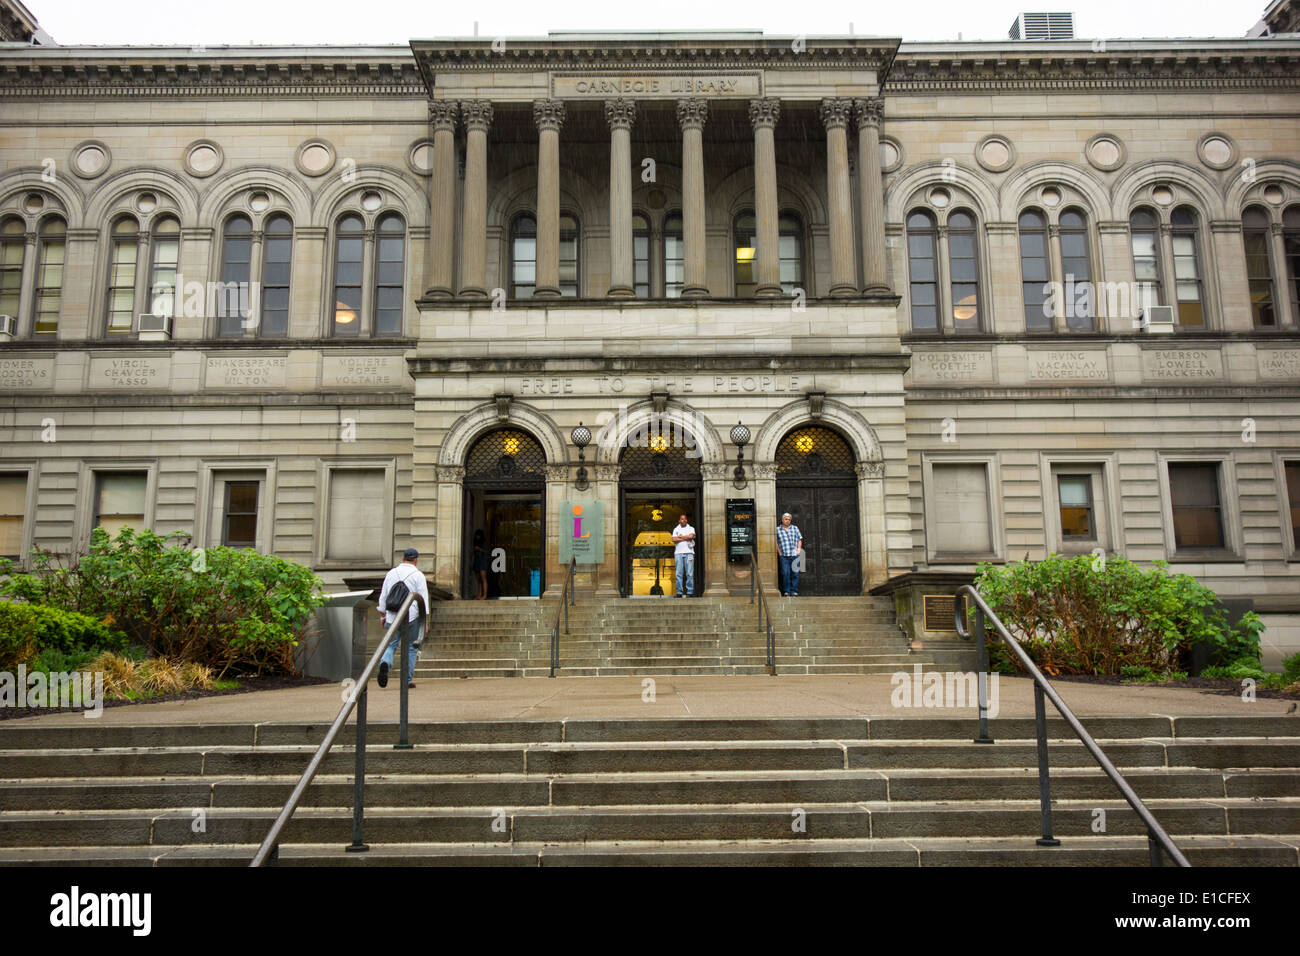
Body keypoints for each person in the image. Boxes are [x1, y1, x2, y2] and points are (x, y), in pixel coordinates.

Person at [377, 547, 429, 689]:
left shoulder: (391, 573)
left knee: (391, 644)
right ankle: (406, 680)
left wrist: (383, 615)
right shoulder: (418, 575)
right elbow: (423, 599)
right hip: (411, 616)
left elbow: (384, 597)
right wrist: (425, 622)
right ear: (416, 560)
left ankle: (385, 663)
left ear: (403, 558)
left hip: (392, 615)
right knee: (411, 648)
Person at [776, 512, 803, 597]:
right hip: (784, 556)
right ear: (782, 520)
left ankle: (794, 591)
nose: (787, 521)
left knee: (795, 574)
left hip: (795, 555)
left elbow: (799, 539)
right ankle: (786, 591)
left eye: (789, 519)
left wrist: (799, 550)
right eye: (786, 519)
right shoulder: (777, 529)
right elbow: (775, 541)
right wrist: (779, 552)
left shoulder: (795, 528)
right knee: (785, 573)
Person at [671, 513, 696, 597]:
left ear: (686, 520)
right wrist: (686, 537)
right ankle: (679, 592)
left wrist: (680, 537)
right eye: (682, 519)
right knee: (679, 574)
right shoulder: (676, 529)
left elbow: (691, 536)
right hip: (678, 553)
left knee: (689, 573)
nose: (683, 520)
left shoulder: (691, 528)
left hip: (689, 553)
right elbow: (673, 539)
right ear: (679, 520)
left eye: (685, 519)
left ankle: (689, 592)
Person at [472, 529, 489, 600]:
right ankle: (479, 595)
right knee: (478, 580)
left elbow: (487, 552)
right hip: (477, 561)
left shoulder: (484, 543)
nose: (477, 537)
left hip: (482, 561)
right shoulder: (475, 543)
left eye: (478, 535)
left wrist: (479, 549)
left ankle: (484, 595)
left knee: (483, 579)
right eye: (476, 535)